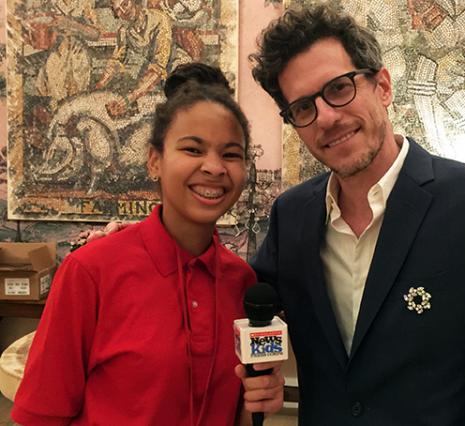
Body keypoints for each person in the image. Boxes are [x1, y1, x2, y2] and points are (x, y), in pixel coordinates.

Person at [248, 3, 465, 425]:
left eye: (339, 88)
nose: (326, 116)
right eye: (303, 107)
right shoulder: (292, 217)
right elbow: (246, 301)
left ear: (382, 86)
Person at [11, 63, 284, 426]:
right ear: (154, 160)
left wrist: (259, 399)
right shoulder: (90, 272)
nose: (215, 168)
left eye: (231, 154)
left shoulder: (242, 283)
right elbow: (40, 416)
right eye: (192, 149)